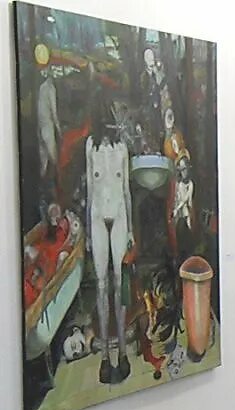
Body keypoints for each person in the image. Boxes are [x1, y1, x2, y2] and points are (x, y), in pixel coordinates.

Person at [86, 100, 134, 384]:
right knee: (102, 286)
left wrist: (131, 231)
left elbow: (126, 190)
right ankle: (105, 356)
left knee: (118, 283)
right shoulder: (90, 147)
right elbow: (90, 190)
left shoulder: (121, 149)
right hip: (96, 218)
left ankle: (123, 353)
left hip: (119, 216)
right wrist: (87, 234)